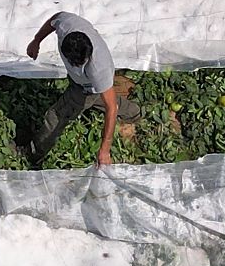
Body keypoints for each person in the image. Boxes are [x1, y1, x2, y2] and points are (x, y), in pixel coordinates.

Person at [26, 11, 140, 168]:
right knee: (104, 98)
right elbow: (54, 19)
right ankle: (135, 113)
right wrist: (36, 40)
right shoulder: (67, 24)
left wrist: (105, 150)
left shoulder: (99, 70)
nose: (76, 65)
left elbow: (111, 108)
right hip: (81, 82)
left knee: (55, 117)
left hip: (85, 89)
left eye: (81, 63)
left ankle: (33, 153)